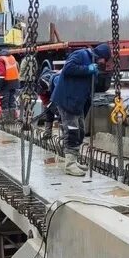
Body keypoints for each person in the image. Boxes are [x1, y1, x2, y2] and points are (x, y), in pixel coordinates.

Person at [50, 43, 111, 176]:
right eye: (104, 60)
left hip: (77, 102)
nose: (103, 63)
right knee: (72, 131)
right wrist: (87, 69)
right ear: (100, 56)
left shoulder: (92, 63)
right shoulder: (81, 55)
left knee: (81, 131)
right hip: (67, 100)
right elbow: (68, 69)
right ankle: (69, 164)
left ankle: (74, 160)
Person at [0, 49, 20, 121]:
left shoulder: (0, 59)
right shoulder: (11, 57)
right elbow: (17, 68)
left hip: (6, 83)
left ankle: (5, 120)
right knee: (12, 101)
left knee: (4, 102)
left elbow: (1, 74)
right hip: (15, 82)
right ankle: (12, 119)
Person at [37, 65, 58, 140]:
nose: (45, 91)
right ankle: (48, 133)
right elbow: (43, 97)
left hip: (58, 97)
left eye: (47, 89)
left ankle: (65, 136)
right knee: (48, 113)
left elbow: (59, 94)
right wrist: (48, 105)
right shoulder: (41, 84)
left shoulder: (55, 80)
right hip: (49, 98)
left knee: (60, 115)